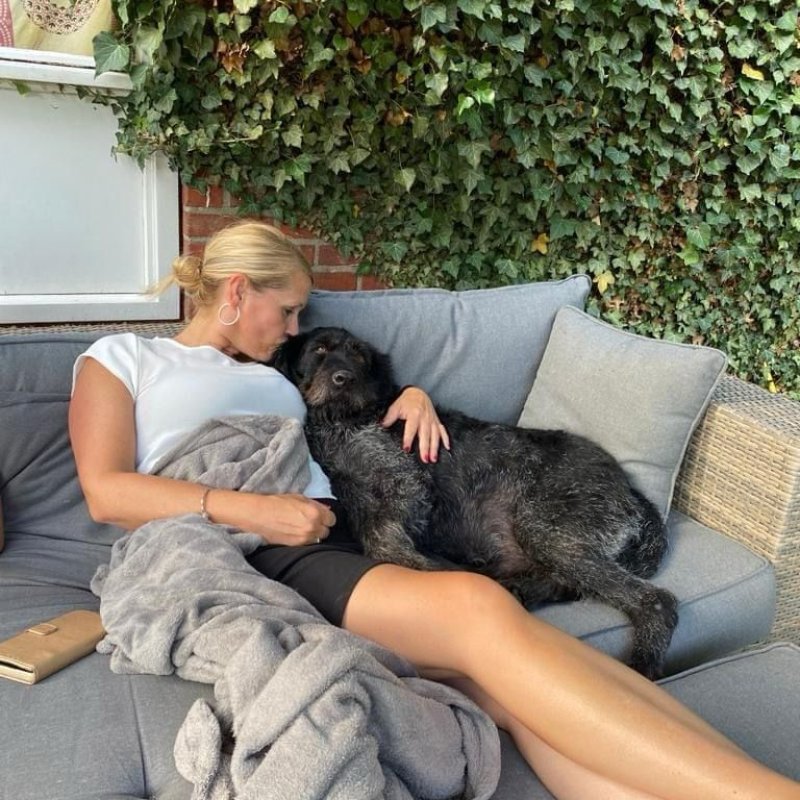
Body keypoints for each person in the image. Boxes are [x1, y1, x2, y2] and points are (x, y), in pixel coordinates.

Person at [69, 219, 800, 800]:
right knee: (481, 610)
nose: (294, 329)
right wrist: (255, 512)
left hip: (332, 537)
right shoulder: (124, 359)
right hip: (261, 548)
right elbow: (106, 491)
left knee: (507, 695)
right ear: (236, 292)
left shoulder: (282, 373)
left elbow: (359, 412)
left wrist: (412, 396)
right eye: (286, 310)